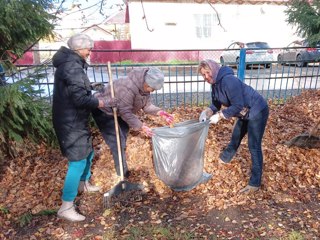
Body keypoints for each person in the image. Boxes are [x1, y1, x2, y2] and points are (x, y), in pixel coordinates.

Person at [52, 33, 118, 222]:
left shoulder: (71, 64)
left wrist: (91, 87)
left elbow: (76, 89)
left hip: (74, 119)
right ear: (78, 49)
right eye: (88, 48)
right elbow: (80, 99)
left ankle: (83, 183)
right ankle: (66, 206)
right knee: (78, 161)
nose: (90, 52)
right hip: (70, 122)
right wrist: (103, 102)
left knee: (88, 152)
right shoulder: (72, 66)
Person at [198, 59, 269, 194]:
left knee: (253, 146)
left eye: (207, 73)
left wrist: (220, 116)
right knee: (235, 138)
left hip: (257, 110)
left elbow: (238, 105)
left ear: (213, 69)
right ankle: (224, 160)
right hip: (244, 112)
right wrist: (207, 111)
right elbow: (216, 104)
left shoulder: (229, 81)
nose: (206, 77)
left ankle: (255, 183)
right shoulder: (215, 84)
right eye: (203, 75)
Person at [92, 67, 174, 177]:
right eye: (152, 88)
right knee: (117, 141)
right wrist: (142, 126)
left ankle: (121, 157)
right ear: (146, 82)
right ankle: (122, 173)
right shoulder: (128, 88)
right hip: (104, 109)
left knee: (124, 132)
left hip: (119, 110)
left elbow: (147, 106)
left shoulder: (144, 89)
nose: (153, 91)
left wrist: (161, 112)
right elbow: (126, 113)